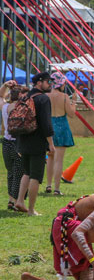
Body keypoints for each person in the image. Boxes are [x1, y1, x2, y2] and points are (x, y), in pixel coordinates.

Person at [14, 71, 55, 216]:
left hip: (23, 140)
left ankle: (19, 200)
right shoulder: (43, 99)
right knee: (35, 176)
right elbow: (46, 124)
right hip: (37, 142)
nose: (50, 84)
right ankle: (31, 210)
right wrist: (51, 144)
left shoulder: (25, 96)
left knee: (26, 172)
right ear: (39, 83)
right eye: (48, 82)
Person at [45, 72, 76, 196]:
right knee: (59, 160)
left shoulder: (45, 96)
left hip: (48, 126)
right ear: (61, 84)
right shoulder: (64, 97)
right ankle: (57, 188)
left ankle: (48, 185)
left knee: (50, 158)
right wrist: (74, 101)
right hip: (62, 126)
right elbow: (71, 114)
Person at [1, 80, 25, 210]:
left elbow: (0, 97)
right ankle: (16, 200)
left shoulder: (5, 107)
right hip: (19, 142)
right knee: (19, 173)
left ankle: (11, 199)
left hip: (6, 142)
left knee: (10, 172)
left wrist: (5, 85)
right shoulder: (22, 108)